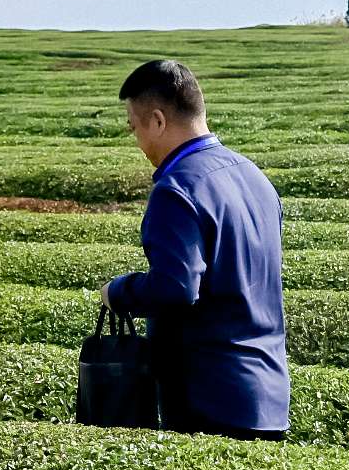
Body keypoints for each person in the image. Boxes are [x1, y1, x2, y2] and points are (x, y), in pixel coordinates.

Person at [100, 59, 291, 438]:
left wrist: (118, 292)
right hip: (268, 392)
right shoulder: (254, 177)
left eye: (134, 127)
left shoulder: (177, 190)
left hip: (209, 399)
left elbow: (176, 288)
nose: (137, 141)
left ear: (157, 121)